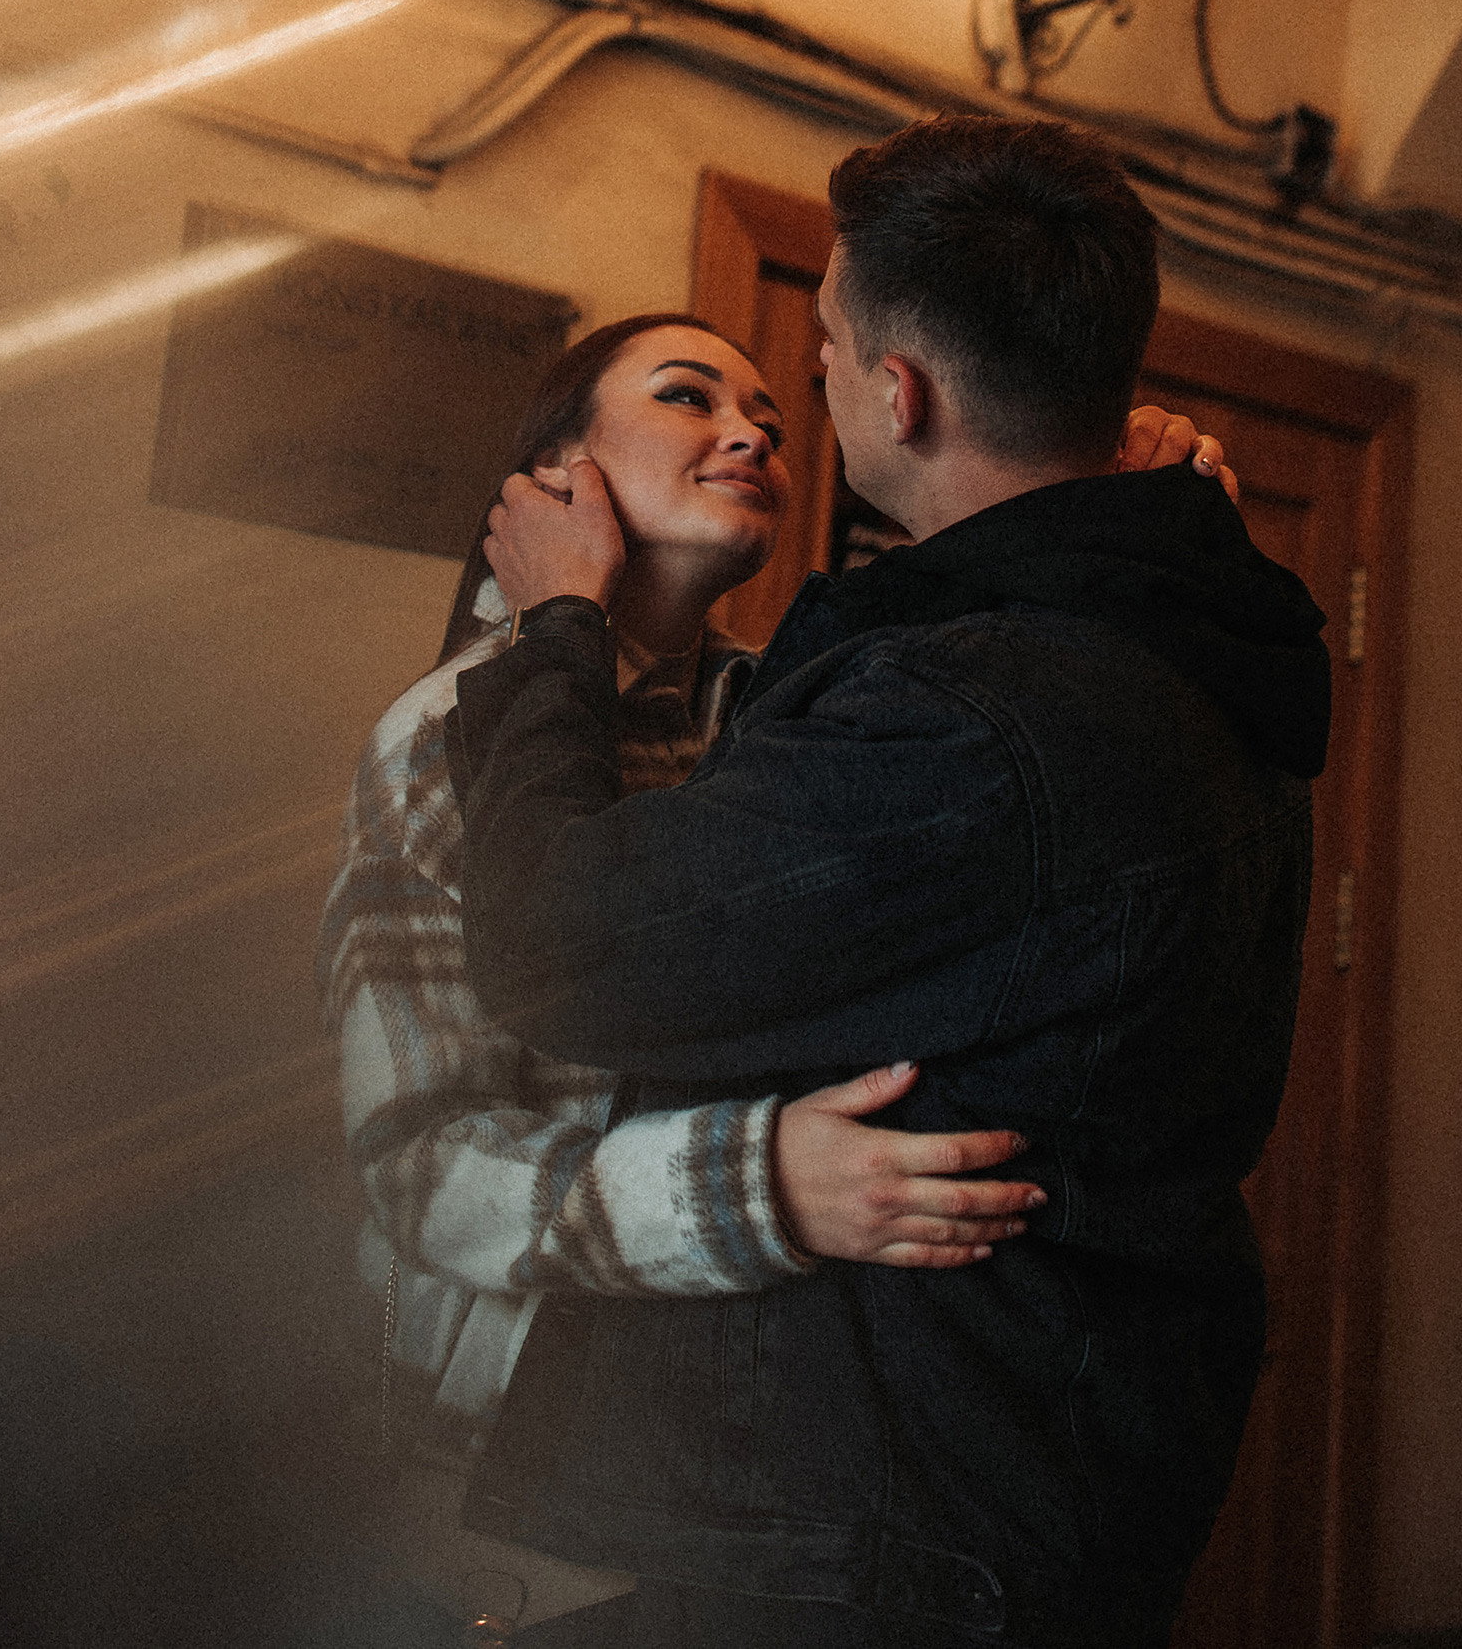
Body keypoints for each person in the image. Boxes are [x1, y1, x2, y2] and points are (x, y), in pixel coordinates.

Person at [448, 118, 1328, 1649]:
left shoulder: (972, 711)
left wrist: (552, 634)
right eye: (687, 393)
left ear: (900, 393)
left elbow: (559, 942)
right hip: (1025, 1469)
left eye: (824, 355)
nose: (783, 411)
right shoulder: (1174, 634)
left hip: (891, 1525)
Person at [319, 300, 1235, 1632]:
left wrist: (1108, 516)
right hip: (520, 1455)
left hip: (757, 1455)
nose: (750, 427)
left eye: (766, 409)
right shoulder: (447, 736)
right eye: (690, 396)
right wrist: (764, 1184)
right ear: (559, 474)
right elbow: (425, 1163)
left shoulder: (793, 710)